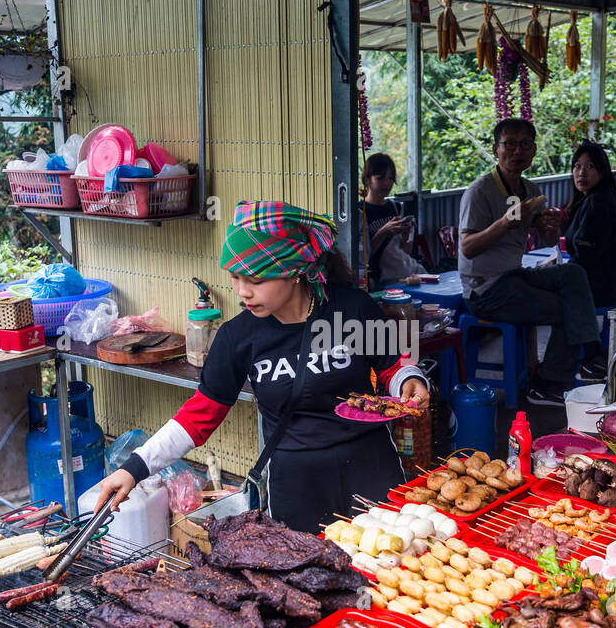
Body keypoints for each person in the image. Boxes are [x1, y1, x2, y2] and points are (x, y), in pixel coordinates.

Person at [95, 201, 430, 533]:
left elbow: (392, 364)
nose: (242, 292)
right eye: (236, 278)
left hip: (370, 468)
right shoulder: (237, 337)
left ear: (295, 271)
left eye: (255, 280)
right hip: (297, 484)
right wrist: (134, 468)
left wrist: (409, 380)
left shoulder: (353, 308)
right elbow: (197, 418)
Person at [457, 117, 605, 404]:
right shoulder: (480, 191)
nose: (517, 151)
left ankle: (591, 356)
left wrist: (548, 227)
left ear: (534, 150)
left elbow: (547, 242)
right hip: (484, 289)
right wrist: (504, 224)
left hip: (513, 276)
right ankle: (548, 385)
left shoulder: (531, 191)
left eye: (524, 144)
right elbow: (467, 248)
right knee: (566, 309)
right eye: (509, 144)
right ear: (495, 149)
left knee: (572, 273)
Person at [563, 139, 616, 309]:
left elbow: (585, 256)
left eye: (590, 167)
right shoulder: (610, 199)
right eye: (577, 166)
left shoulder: (597, 202)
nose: (582, 172)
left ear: (602, 172)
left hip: (600, 294)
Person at [361, 152, 427, 286]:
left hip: (409, 273)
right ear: (367, 180)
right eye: (380, 178)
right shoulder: (360, 211)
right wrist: (384, 231)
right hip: (384, 280)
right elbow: (364, 257)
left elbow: (405, 252)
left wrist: (406, 236)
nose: (387, 183)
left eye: (391, 178)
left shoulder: (396, 207)